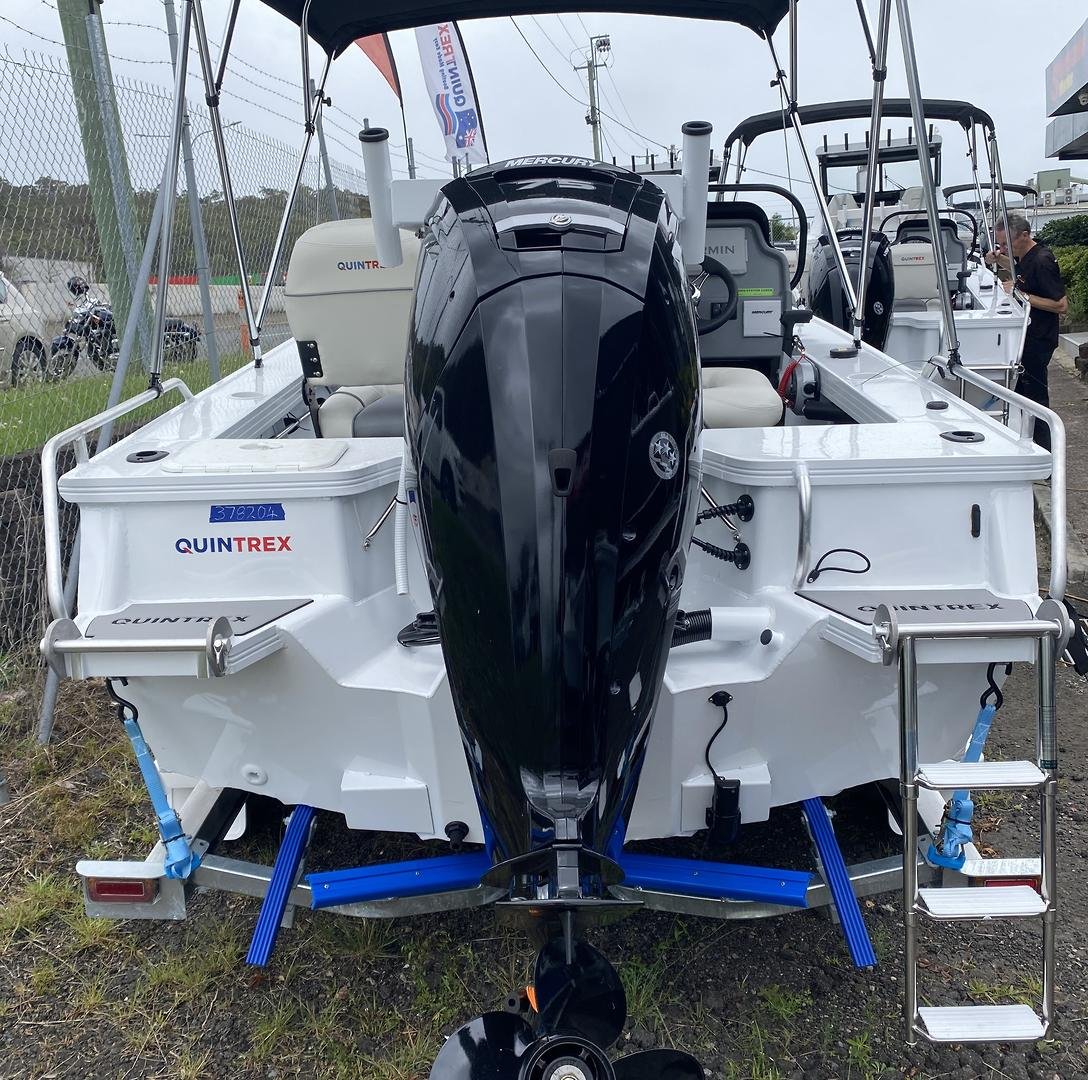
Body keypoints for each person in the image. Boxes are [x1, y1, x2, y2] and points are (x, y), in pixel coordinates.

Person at [984, 213, 1067, 450]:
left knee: (1035, 398)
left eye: (1007, 244)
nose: (1004, 249)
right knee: (1021, 394)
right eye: (1000, 244)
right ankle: (1029, 445)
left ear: (1024, 235)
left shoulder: (1042, 261)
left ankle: (1047, 453)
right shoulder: (1026, 256)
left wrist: (1020, 294)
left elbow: (1061, 305)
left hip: (1039, 338)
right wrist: (998, 259)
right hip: (1027, 335)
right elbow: (1020, 271)